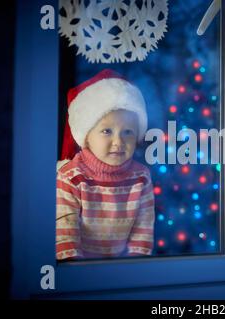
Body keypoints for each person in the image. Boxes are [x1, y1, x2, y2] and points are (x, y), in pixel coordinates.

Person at [55, 69, 154, 260]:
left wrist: (136, 265)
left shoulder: (141, 177)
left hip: (122, 269)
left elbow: (143, 227)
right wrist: (77, 269)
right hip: (82, 270)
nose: (118, 141)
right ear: (86, 136)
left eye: (127, 132)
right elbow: (65, 232)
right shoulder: (70, 177)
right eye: (107, 131)